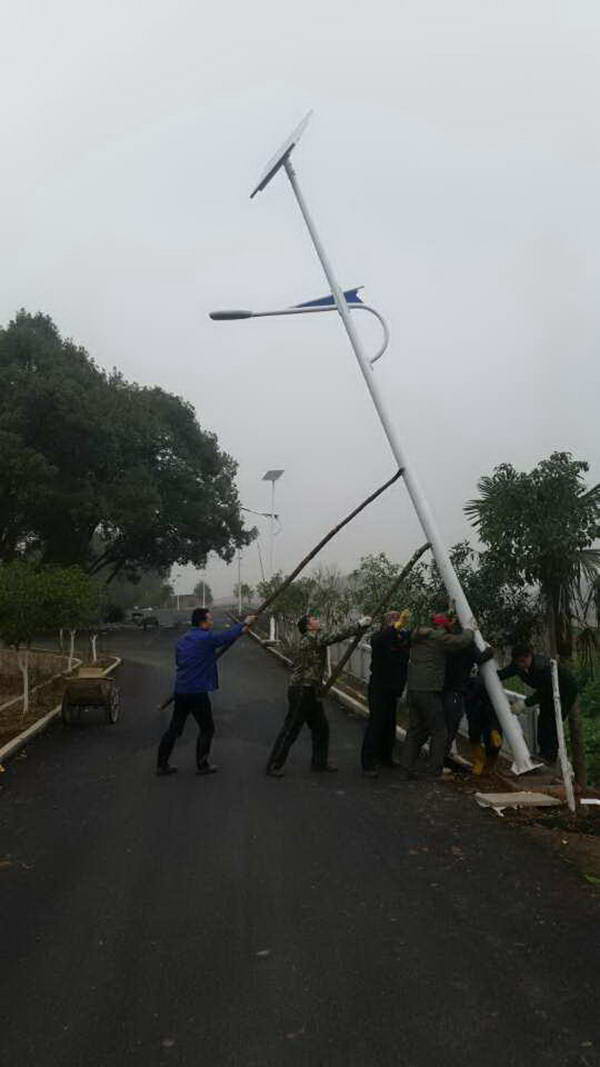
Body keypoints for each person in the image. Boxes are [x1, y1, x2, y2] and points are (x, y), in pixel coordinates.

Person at [265, 612, 371, 776]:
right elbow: (335, 635)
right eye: (314, 619)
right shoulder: (310, 639)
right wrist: (358, 625)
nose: (318, 620)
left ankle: (319, 763)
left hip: (311, 690)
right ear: (308, 627)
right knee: (291, 729)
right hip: (302, 690)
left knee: (321, 728)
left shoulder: (314, 638)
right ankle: (273, 765)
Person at [156, 608, 255, 776]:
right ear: (202, 622)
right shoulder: (205, 638)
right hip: (197, 692)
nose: (212, 622)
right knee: (207, 728)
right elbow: (223, 637)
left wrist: (240, 632)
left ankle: (161, 765)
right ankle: (202, 765)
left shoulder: (183, 640)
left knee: (174, 729)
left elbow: (180, 661)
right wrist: (244, 623)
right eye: (210, 619)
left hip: (181, 690)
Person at [401, 613, 475, 778]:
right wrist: (470, 629)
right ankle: (434, 770)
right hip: (429, 690)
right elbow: (462, 641)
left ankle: (406, 768)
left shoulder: (417, 635)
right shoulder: (438, 637)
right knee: (440, 731)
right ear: (443, 626)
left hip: (413, 689)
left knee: (415, 729)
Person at [498, 644, 579, 764]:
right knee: (543, 720)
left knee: (553, 721)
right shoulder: (517, 666)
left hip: (564, 691)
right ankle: (543, 753)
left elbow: (545, 691)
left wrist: (524, 704)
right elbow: (504, 673)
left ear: (530, 656)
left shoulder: (542, 667)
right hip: (547, 692)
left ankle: (550, 756)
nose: (521, 664)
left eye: (523, 661)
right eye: (518, 662)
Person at [361, 609, 411, 778]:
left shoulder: (400, 637)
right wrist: (394, 628)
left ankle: (385, 757)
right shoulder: (379, 637)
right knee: (376, 723)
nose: (396, 621)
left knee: (390, 724)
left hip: (393, 688)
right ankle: (368, 762)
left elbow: (414, 638)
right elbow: (381, 639)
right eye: (392, 619)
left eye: (397, 619)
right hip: (379, 687)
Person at [441, 618, 494, 767]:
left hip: (444, 689)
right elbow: (481, 658)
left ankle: (439, 759)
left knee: (442, 726)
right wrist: (490, 650)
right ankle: (439, 762)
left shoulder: (447, 641)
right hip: (455, 691)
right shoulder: (467, 644)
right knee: (451, 726)